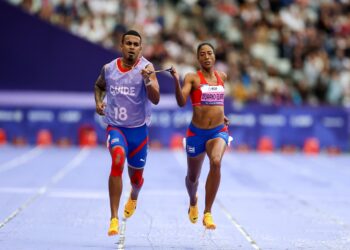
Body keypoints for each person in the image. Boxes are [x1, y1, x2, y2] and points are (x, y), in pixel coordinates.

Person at [94, 30, 160, 236]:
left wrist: (148, 80)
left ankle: (134, 195)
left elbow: (156, 99)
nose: (132, 47)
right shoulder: (109, 68)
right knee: (117, 159)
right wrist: (98, 101)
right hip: (116, 127)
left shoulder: (147, 68)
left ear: (141, 48)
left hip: (138, 132)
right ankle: (113, 218)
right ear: (121, 46)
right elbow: (99, 85)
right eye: (128, 43)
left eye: (136, 44)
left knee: (136, 179)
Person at [170, 42, 230, 230]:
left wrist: (222, 115)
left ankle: (208, 212)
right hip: (196, 133)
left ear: (214, 57)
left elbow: (217, 102)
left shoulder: (222, 77)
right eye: (202, 54)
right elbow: (181, 102)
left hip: (218, 131)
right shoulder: (192, 78)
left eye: (209, 53)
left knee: (216, 161)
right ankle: (193, 200)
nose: (206, 56)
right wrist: (175, 80)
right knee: (193, 178)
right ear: (198, 58)